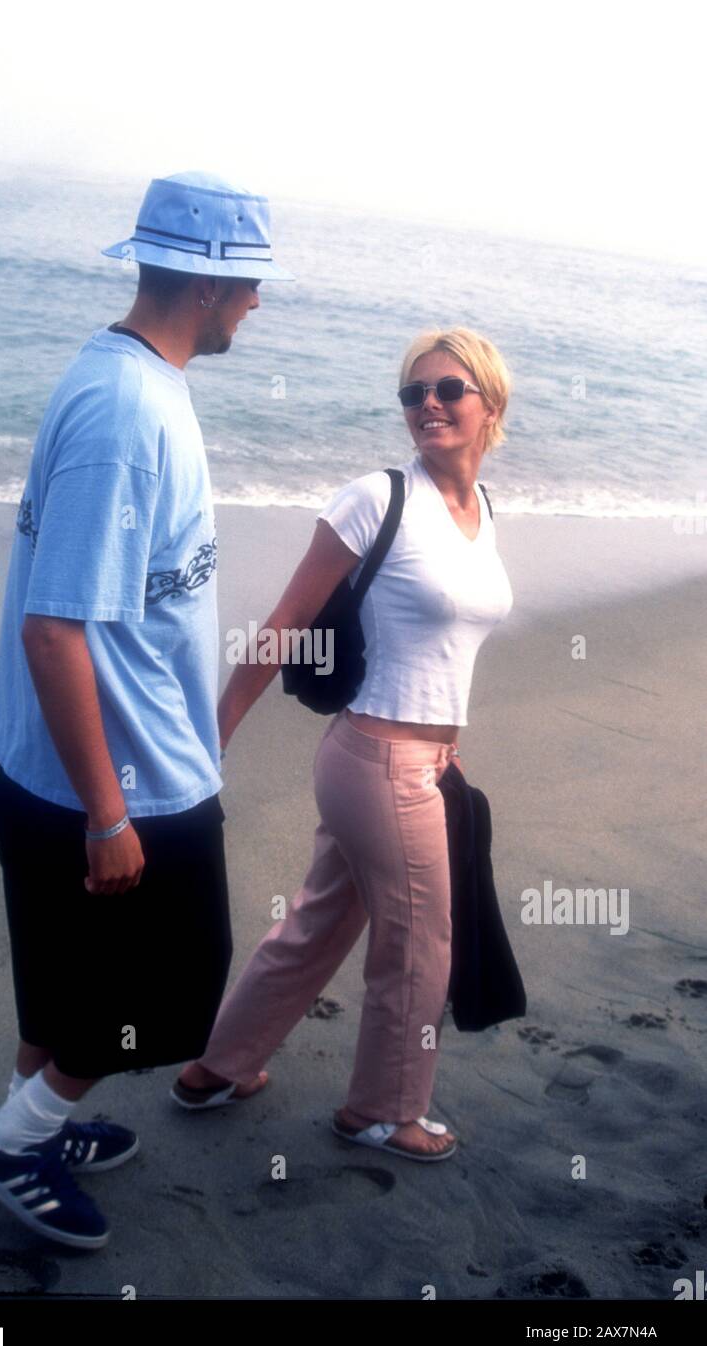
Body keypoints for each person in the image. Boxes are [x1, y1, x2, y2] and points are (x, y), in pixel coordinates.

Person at [0, 171, 294, 1249]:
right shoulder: (124, 408)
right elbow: (54, 630)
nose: (256, 302)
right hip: (109, 779)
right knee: (166, 985)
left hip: (79, 765)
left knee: (67, 979)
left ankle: (29, 1120)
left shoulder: (137, 379)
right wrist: (108, 814)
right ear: (202, 282)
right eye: (248, 282)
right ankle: (13, 1140)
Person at [172, 326, 514, 1162]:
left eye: (446, 389)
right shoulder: (375, 497)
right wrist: (210, 735)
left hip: (423, 762)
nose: (426, 404)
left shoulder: (479, 510)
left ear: (489, 404)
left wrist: (448, 750)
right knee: (417, 944)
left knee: (321, 922)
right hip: (375, 759)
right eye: (412, 393)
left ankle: (215, 1069)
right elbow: (287, 623)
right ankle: (382, 1111)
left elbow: (437, 650)